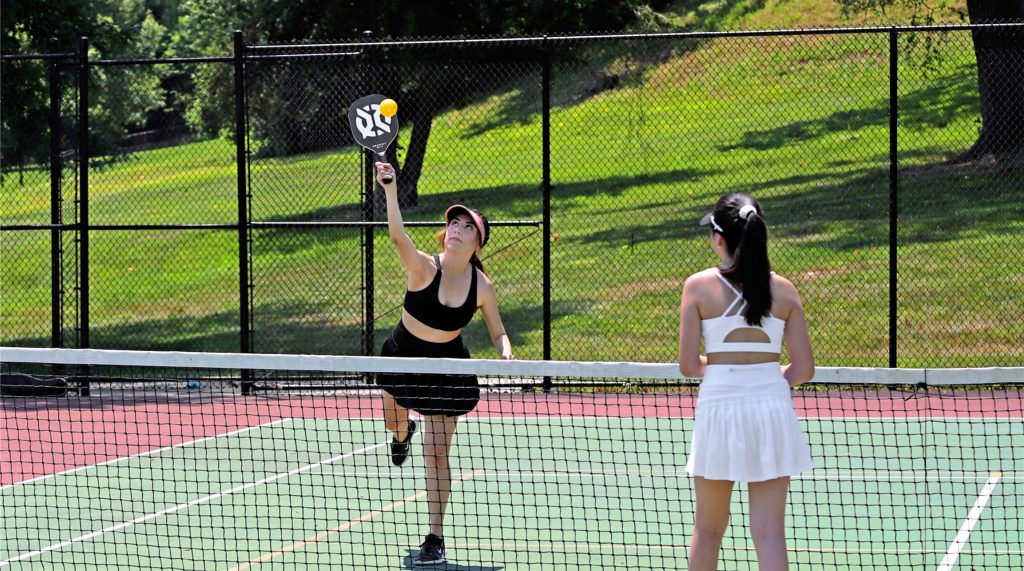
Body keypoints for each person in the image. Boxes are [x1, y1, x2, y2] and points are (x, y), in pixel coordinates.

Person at [373, 161, 515, 567]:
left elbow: (497, 330)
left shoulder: (482, 286)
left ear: (478, 241)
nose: (457, 229)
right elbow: (397, 237)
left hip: (447, 369)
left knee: (437, 454)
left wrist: (505, 349)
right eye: (454, 223)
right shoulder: (423, 268)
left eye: (467, 226)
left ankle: (435, 536)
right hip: (403, 356)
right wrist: (390, 189)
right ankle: (402, 435)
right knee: (392, 425)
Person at [677, 192, 815, 571]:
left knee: (707, 530)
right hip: (773, 408)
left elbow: (689, 366)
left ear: (719, 239)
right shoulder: (785, 290)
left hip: (718, 408)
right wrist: (767, 378)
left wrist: (724, 369)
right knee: (769, 533)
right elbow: (803, 369)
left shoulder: (697, 287)